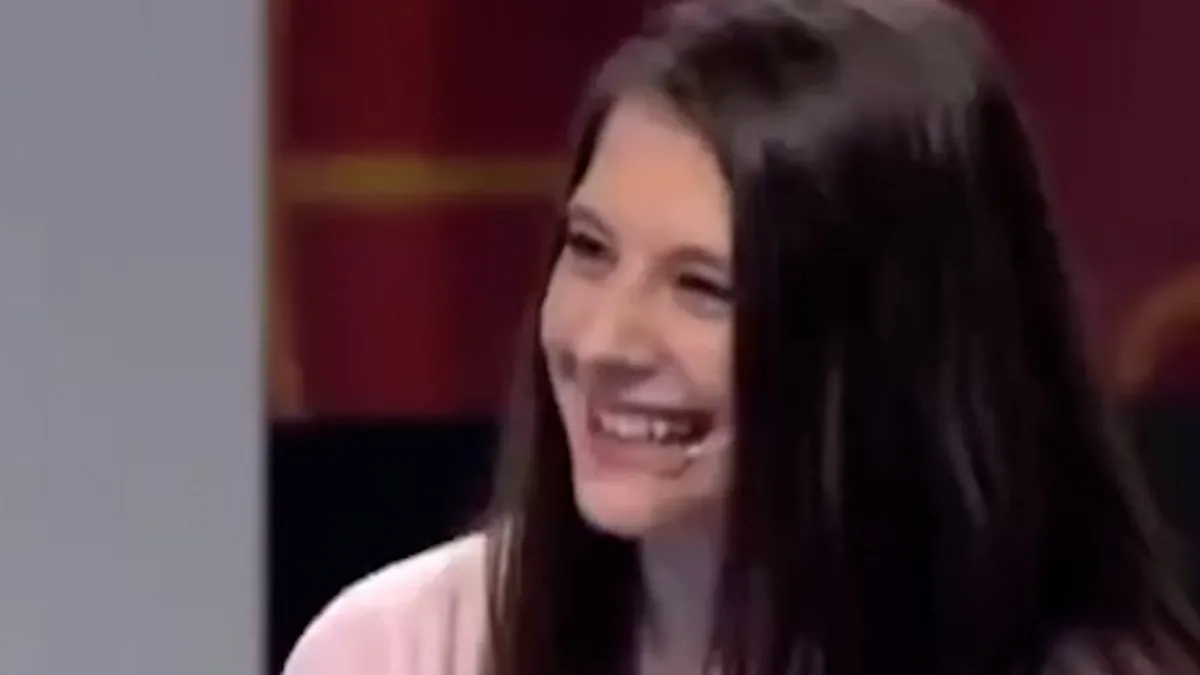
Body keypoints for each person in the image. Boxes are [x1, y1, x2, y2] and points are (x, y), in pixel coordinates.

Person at [281, 0, 1200, 673]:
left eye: (702, 286)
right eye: (590, 249)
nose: (601, 342)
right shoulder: (397, 649)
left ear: (887, 339)